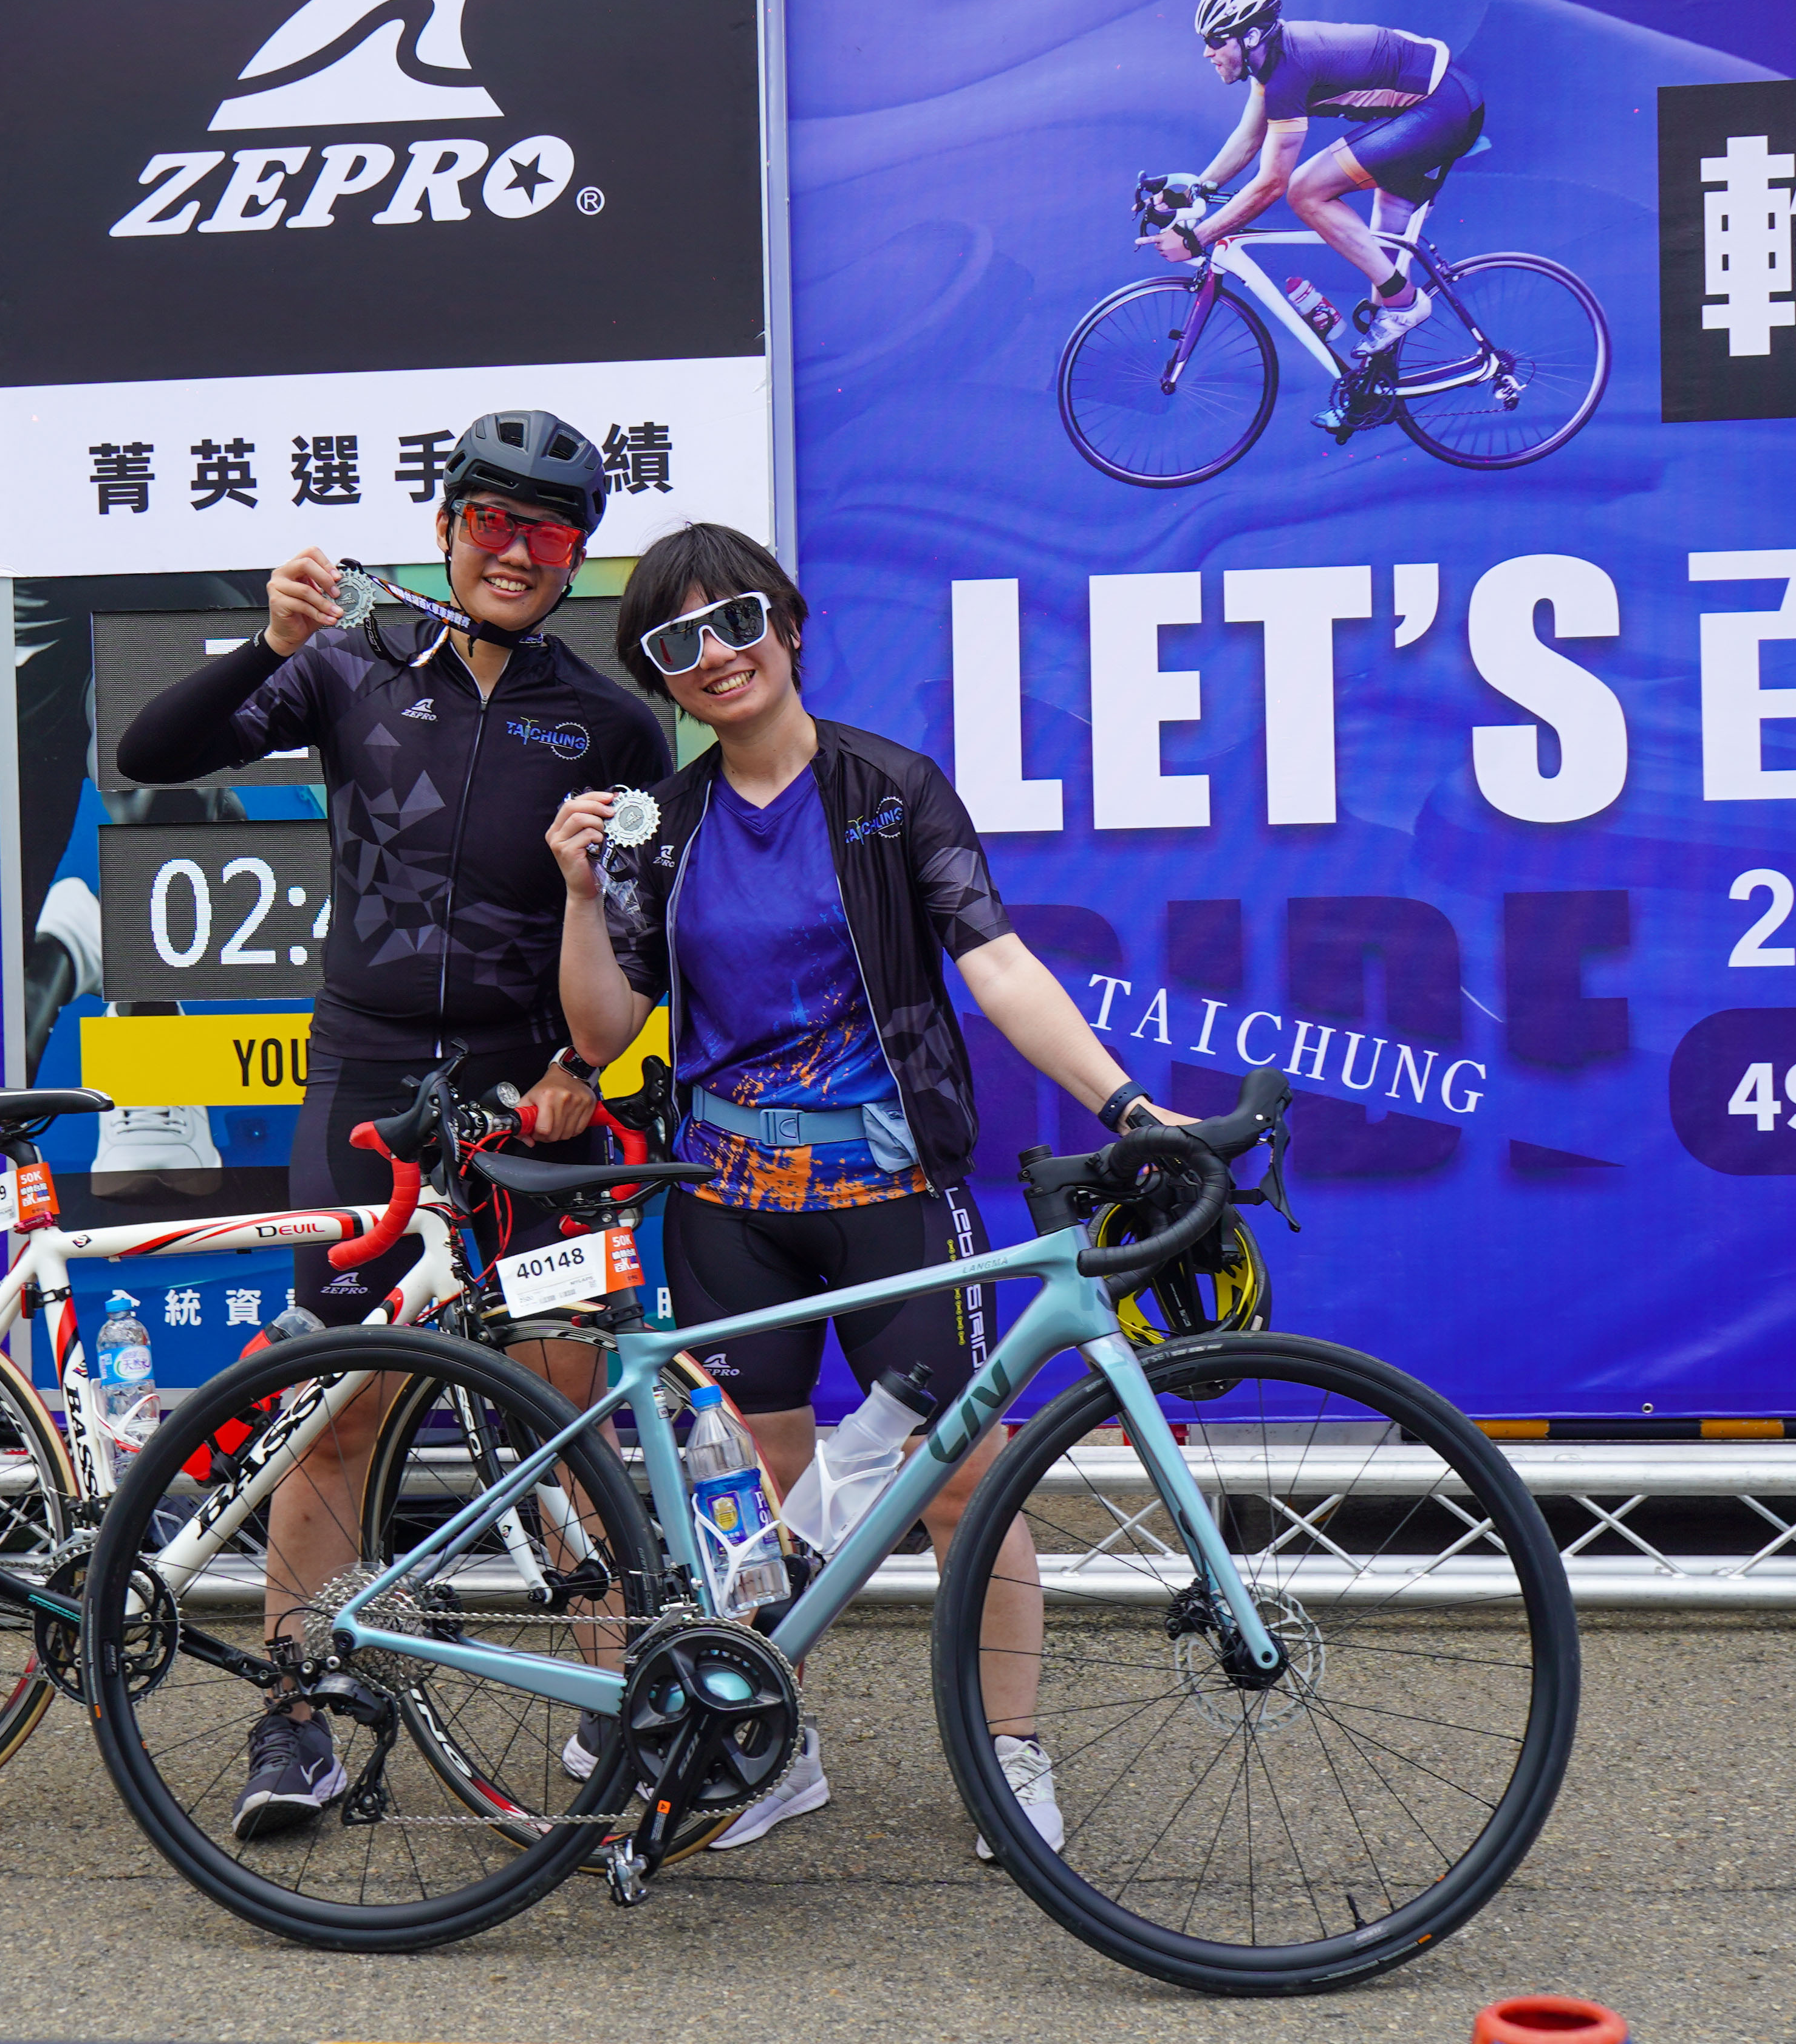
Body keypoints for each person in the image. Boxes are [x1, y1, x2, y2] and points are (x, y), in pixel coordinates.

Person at [546, 523, 1184, 1859]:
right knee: (763, 1500)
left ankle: (1009, 1752)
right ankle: (775, 1751)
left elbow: (996, 962)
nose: (717, 655)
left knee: (963, 1480)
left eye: (737, 620)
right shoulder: (665, 820)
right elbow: (603, 1031)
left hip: (893, 1188)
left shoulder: (891, 788)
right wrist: (579, 893)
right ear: (660, 676)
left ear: (788, 625)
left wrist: (1126, 1104)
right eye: (678, 641)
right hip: (727, 1203)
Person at [115, 408, 669, 1840]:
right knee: (339, 1408)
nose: (516, 551)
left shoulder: (612, 721)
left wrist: (576, 1060)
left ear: (578, 557)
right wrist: (264, 641)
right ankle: (296, 1717)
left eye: (549, 531)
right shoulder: (349, 664)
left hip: (530, 1104)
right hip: (367, 1089)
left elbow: (644, 927)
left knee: (565, 1411)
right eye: (491, 520)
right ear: (444, 527)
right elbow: (151, 750)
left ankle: (617, 1722)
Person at [1150, 0, 1486, 402]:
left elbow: (1272, 185)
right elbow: (1248, 138)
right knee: (1380, 266)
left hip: (1441, 109)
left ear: (1251, 37)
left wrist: (1197, 238)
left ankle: (1405, 303)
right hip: (1437, 102)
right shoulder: (1270, 64)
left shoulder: (1287, 72)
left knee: (1306, 191)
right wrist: (1193, 191)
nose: (1208, 52)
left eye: (1217, 41)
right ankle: (1373, 392)